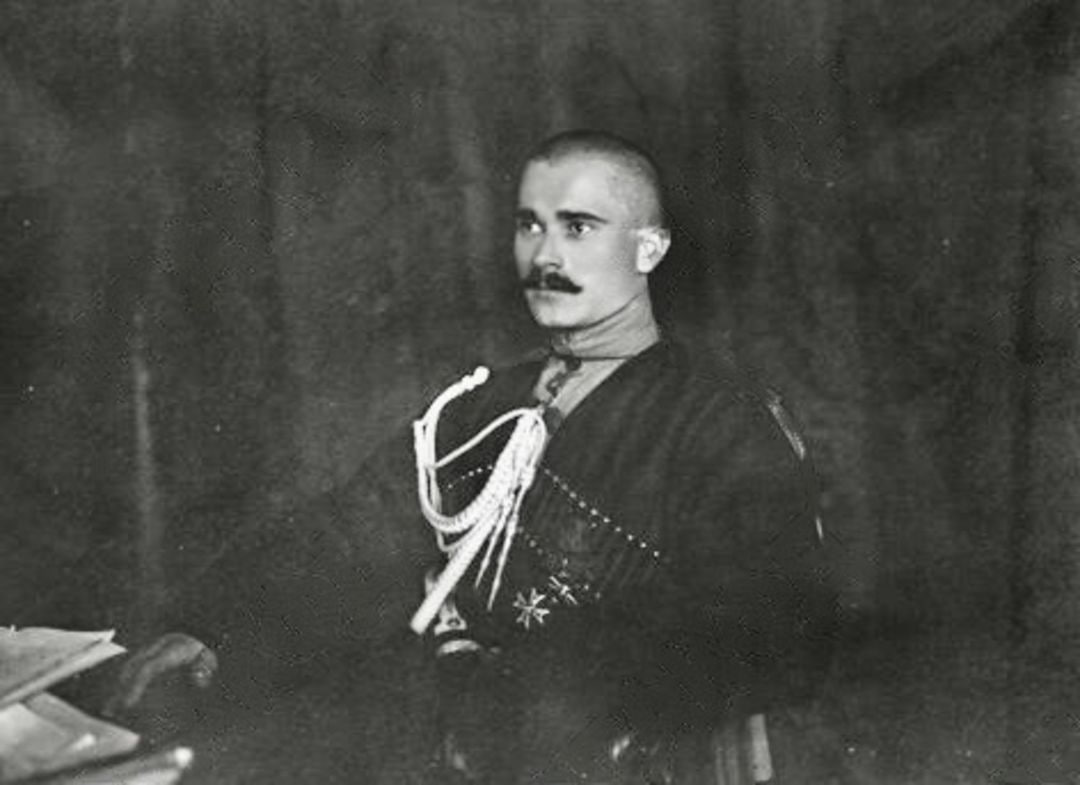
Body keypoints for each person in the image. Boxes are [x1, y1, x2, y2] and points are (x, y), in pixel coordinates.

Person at [109, 130, 835, 784]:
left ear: (649, 248)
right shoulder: (478, 408)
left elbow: (772, 627)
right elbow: (350, 531)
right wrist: (211, 626)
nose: (544, 256)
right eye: (529, 225)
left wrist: (537, 695)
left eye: (578, 227)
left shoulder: (722, 420)